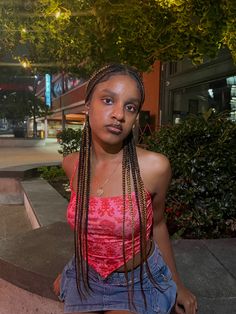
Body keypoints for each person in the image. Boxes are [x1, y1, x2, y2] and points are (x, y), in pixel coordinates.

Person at [54, 63, 198, 314]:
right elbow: (89, 226)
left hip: (136, 283)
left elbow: (159, 224)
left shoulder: (154, 167)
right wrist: (73, 270)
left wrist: (178, 284)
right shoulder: (72, 165)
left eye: (130, 107)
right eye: (108, 100)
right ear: (88, 105)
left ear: (135, 117)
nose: (119, 114)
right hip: (86, 276)